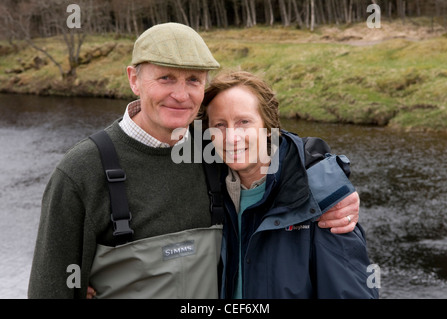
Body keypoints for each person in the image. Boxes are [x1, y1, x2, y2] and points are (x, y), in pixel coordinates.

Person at [28, 23, 360, 299]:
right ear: (133, 79)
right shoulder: (81, 173)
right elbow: (51, 289)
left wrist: (329, 185)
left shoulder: (212, 149)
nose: (181, 95)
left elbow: (274, 144)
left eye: (193, 80)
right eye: (166, 78)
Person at [200, 70, 378, 298]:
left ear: (268, 127)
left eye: (244, 122)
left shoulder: (320, 200)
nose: (231, 137)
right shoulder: (208, 188)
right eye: (220, 125)